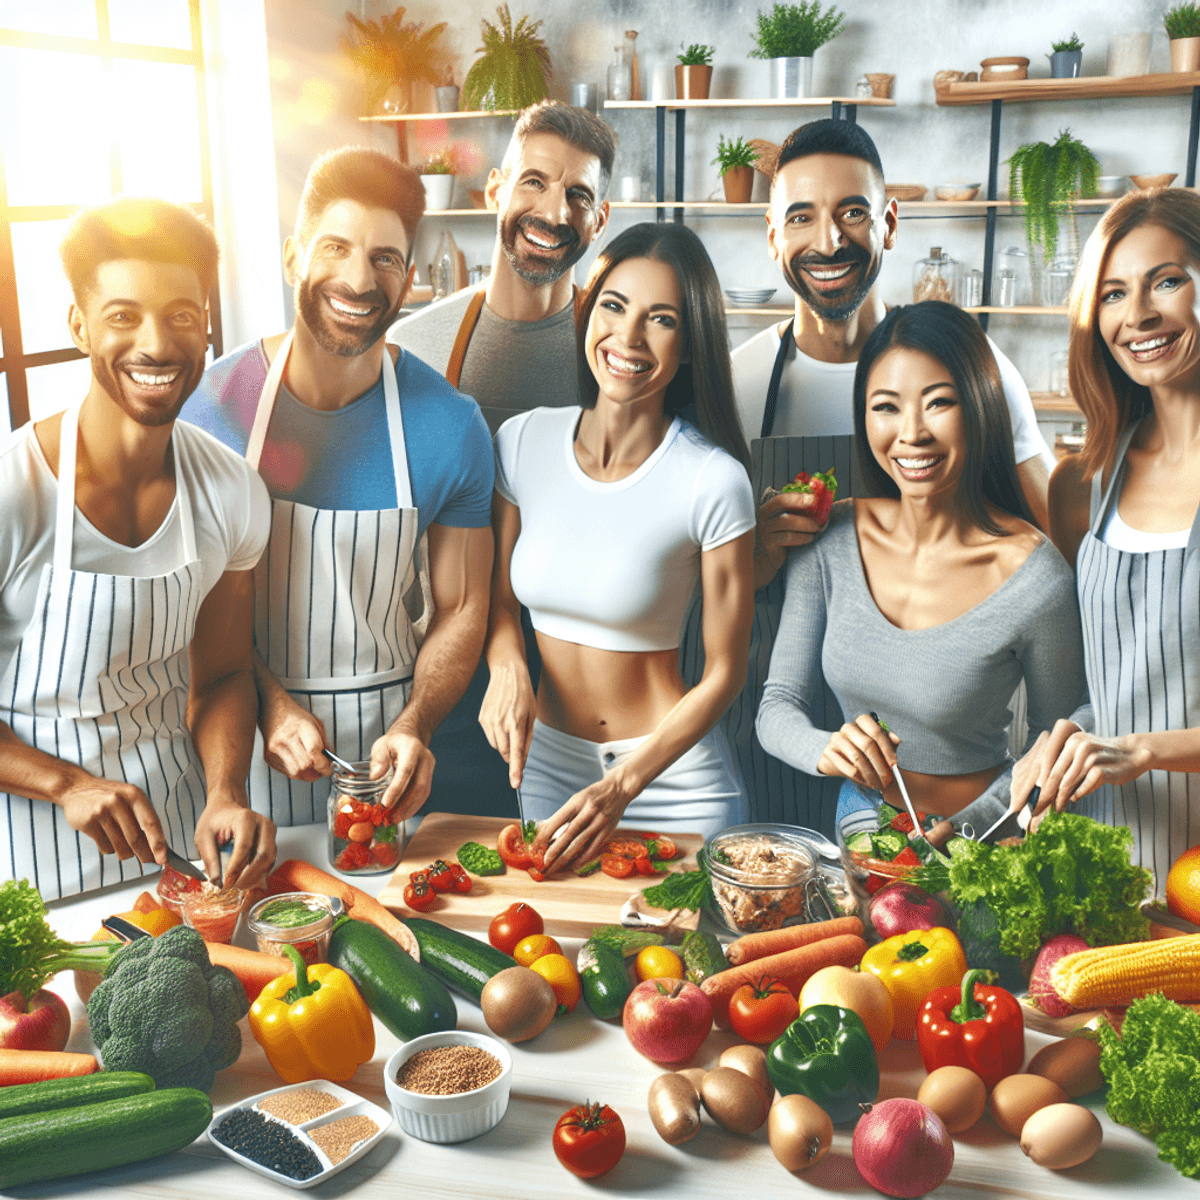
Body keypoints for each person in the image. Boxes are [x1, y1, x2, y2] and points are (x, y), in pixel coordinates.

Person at [701, 118, 1056, 835]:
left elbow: (1055, 536)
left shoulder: (980, 372)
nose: (829, 241)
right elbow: (689, 576)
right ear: (771, 236)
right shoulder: (734, 389)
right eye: (800, 216)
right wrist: (760, 553)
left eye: (853, 212)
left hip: (948, 725)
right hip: (779, 719)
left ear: (890, 223)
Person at [181, 147, 494, 830]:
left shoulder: (450, 424)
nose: (359, 280)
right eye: (335, 247)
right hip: (236, 761)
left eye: (384, 257)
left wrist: (417, 724)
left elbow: (464, 605)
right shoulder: (212, 408)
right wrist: (268, 702)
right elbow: (191, 603)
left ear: (410, 277)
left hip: (386, 770)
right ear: (294, 256)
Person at [0, 197, 276, 899]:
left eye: (181, 314)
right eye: (123, 316)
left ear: (206, 325)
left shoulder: (231, 491)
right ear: (79, 325)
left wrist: (226, 790)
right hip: (32, 863)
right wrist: (67, 783)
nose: (156, 345)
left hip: (179, 852)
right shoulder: (13, 489)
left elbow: (221, 677)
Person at [756, 301, 1086, 845]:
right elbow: (776, 709)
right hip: (860, 820)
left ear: (979, 406)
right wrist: (826, 748)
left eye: (939, 403)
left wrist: (969, 828)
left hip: (989, 833)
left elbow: (1054, 744)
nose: (911, 434)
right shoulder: (830, 539)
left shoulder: (1037, 576)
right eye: (885, 407)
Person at [481, 223, 755, 872]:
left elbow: (724, 673)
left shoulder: (713, 480)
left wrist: (623, 784)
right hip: (548, 768)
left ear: (689, 346)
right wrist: (507, 665)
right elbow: (493, 604)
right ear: (587, 311)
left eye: (661, 319)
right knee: (557, 965)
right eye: (614, 306)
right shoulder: (521, 443)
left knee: (683, 972)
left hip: (674, 780)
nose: (628, 339)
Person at [389, 101, 616, 818]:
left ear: (599, 219)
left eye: (578, 195)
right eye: (534, 183)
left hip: (586, 672)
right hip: (447, 668)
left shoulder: (619, 352)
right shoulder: (418, 346)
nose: (553, 211)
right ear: (494, 190)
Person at [1012, 188, 1200, 878]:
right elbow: (1112, 688)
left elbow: (1140, 729)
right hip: (1111, 872)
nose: (1139, 315)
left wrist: (1144, 749)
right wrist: (1058, 741)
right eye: (1114, 294)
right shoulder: (1081, 486)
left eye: (1168, 281)